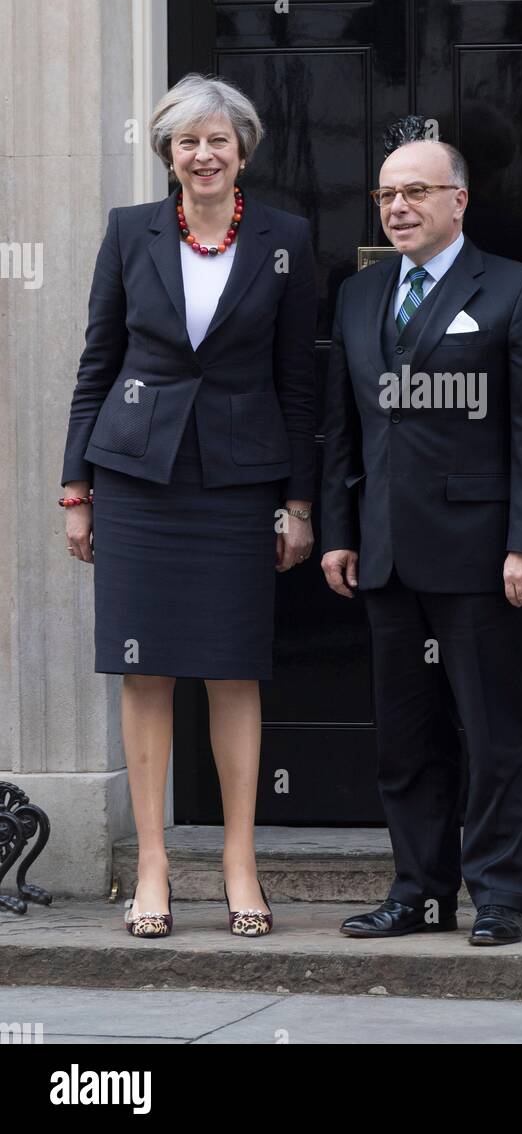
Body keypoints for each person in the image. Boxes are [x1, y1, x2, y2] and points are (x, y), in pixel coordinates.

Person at [60, 73, 316, 938]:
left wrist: (298, 501)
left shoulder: (287, 238)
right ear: (167, 153)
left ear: (242, 149)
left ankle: (240, 861)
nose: (202, 155)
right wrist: (76, 492)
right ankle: (154, 864)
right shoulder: (130, 232)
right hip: (137, 476)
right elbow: (97, 363)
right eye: (185, 142)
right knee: (147, 669)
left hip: (239, 478)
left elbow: (299, 381)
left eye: (217, 140)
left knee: (233, 663)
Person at [320, 132, 522, 945]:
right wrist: (337, 532)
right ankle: (419, 893)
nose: (398, 207)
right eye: (387, 195)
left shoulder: (515, 291)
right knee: (405, 740)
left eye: (416, 192)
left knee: (494, 735)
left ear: (457, 200)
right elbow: (343, 430)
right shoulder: (357, 297)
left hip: (482, 554)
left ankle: (498, 899)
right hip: (385, 554)